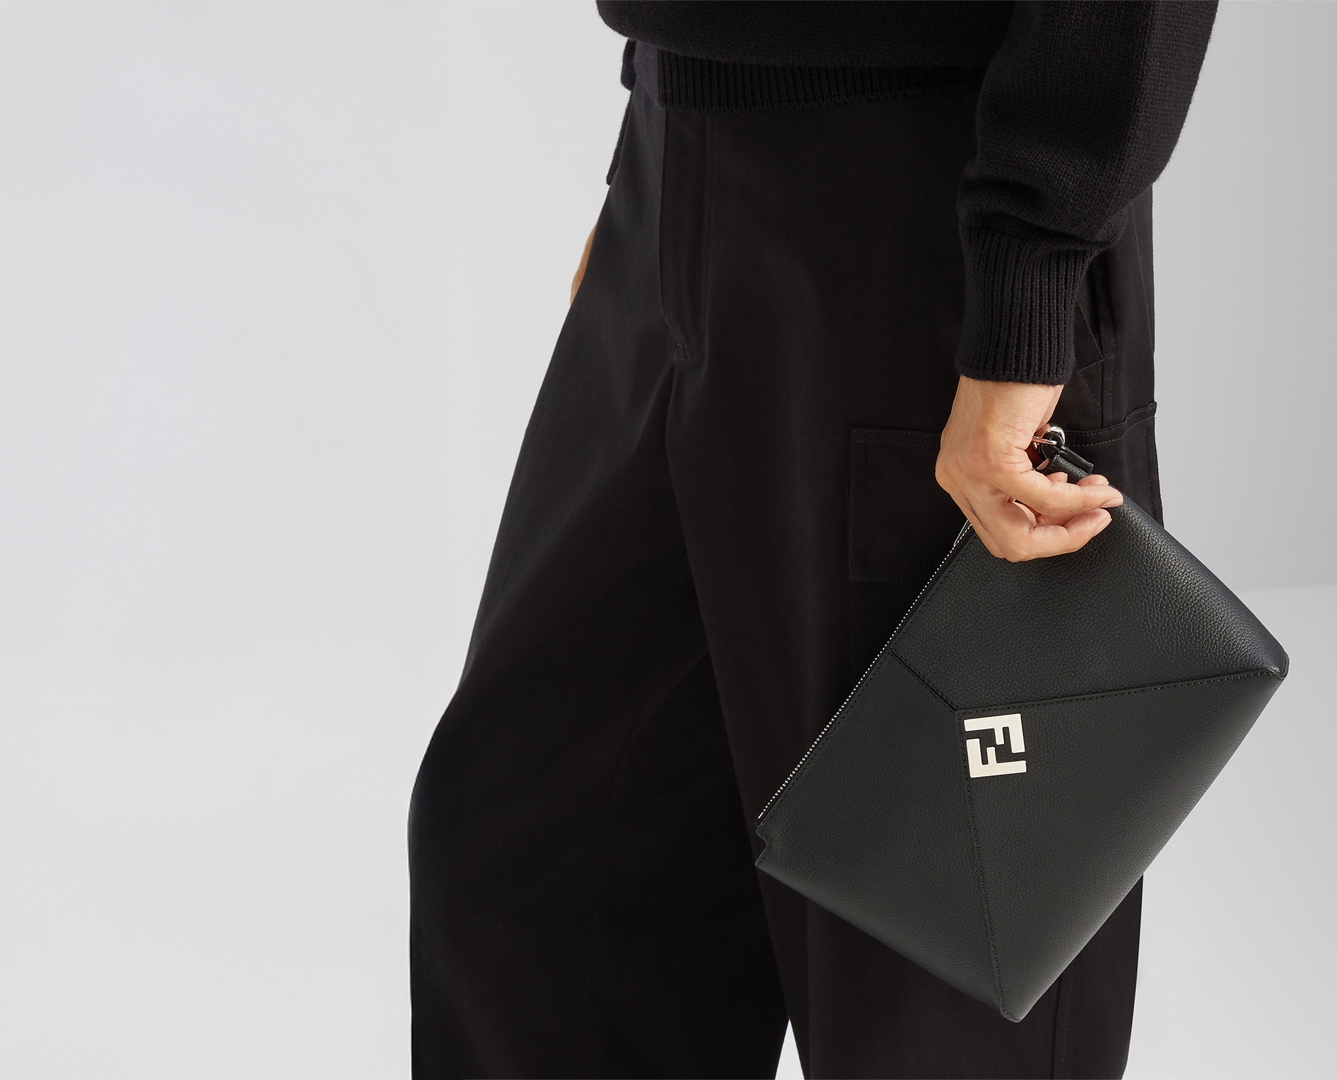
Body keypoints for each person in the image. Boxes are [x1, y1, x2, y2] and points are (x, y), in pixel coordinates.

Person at [408, 2, 1216, 1076]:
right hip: (678, 166)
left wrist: (1034, 265)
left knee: (933, 963)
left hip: (935, 214)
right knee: (537, 886)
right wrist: (651, 142)